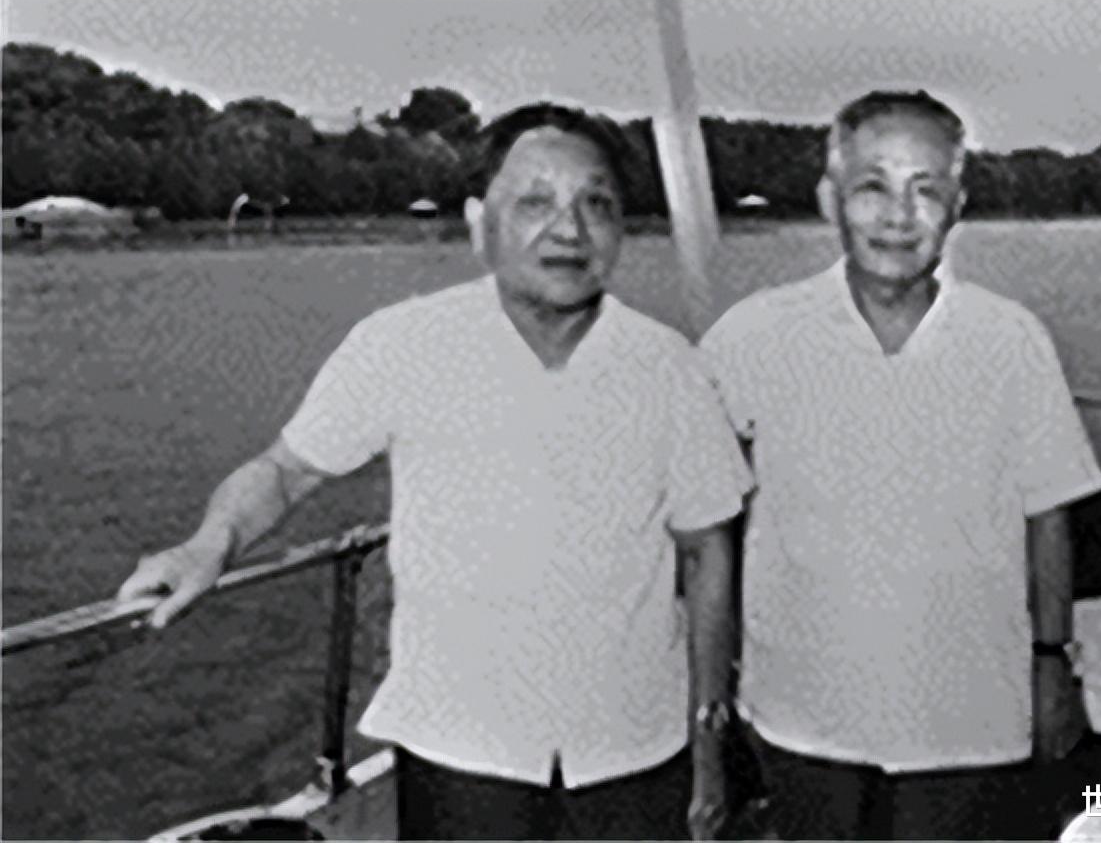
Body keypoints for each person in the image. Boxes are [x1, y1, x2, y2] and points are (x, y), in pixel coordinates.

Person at [118, 103, 751, 841]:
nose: (570, 229)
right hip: (460, 752)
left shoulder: (669, 367)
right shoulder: (402, 346)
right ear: (480, 222)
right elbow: (286, 472)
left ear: (621, 229)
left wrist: (709, 739)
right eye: (536, 202)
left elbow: (708, 551)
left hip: (636, 752)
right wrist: (210, 545)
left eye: (596, 203)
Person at [700, 89, 1101, 839]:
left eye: (926, 189)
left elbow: (1048, 516)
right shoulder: (750, 336)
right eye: (873, 186)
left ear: (958, 205)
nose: (899, 215)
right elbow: (702, 521)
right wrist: (709, 684)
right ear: (829, 198)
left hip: (970, 721)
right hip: (801, 715)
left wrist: (1054, 662)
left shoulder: (1011, 339)